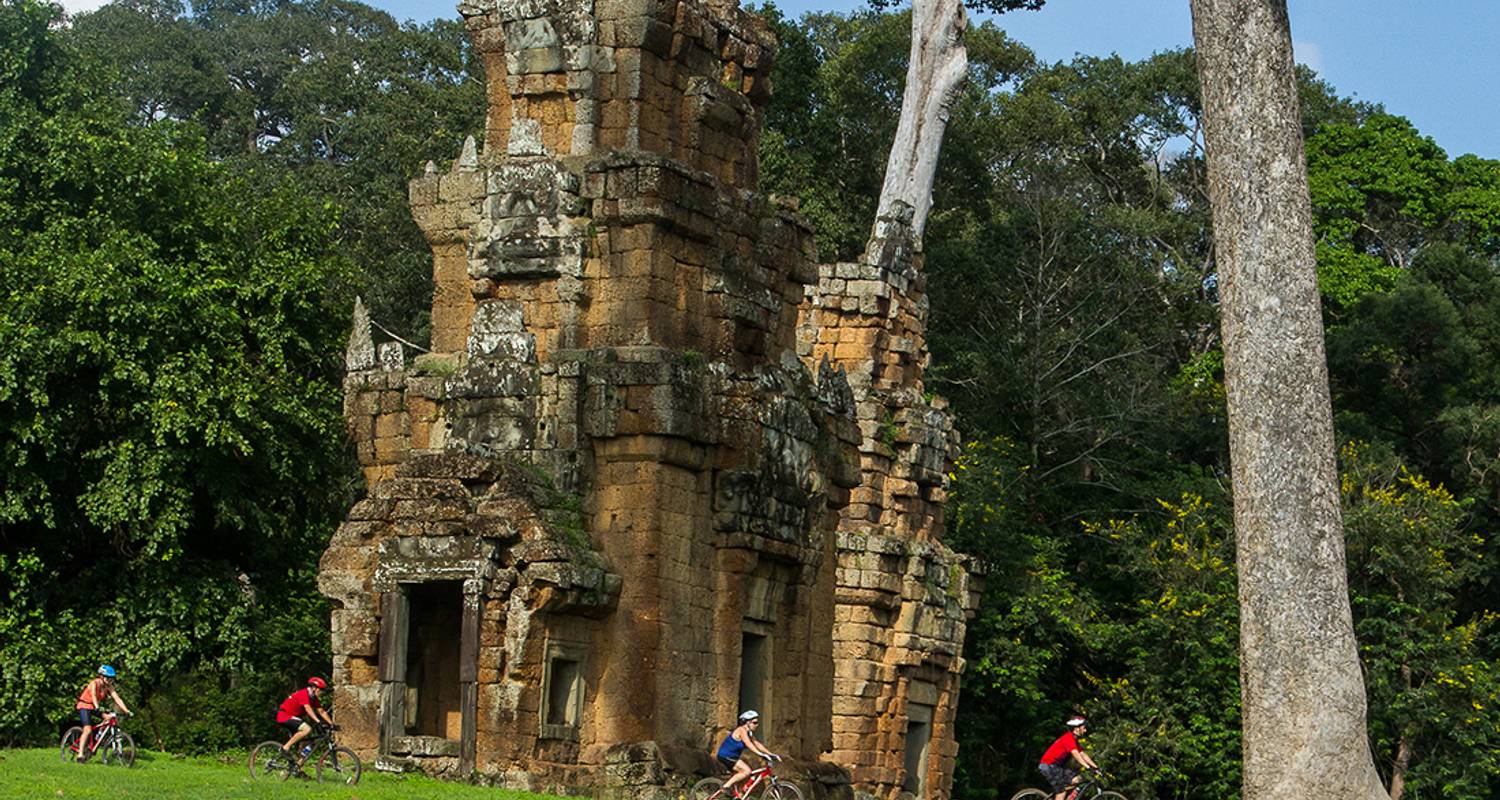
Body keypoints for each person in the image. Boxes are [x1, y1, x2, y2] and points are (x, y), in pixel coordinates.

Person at [715, 709, 779, 798]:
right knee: (747, 771)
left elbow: (757, 744)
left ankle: (739, 796)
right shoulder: (741, 730)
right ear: (747, 722)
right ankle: (725, 786)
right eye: (755, 722)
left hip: (732, 757)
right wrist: (760, 754)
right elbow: (749, 744)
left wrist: (771, 754)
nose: (757, 725)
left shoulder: (749, 733)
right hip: (726, 755)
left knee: (746, 777)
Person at [75, 665, 132, 763]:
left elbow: (117, 698)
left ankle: (95, 742)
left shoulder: (109, 686)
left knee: (109, 718)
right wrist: (97, 707)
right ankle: (80, 754)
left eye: (111, 678)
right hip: (85, 706)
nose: (110, 680)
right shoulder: (94, 683)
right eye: (108, 678)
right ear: (101, 676)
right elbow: (93, 695)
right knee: (87, 729)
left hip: (94, 707)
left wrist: (126, 710)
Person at [276, 677, 336, 767]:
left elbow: (321, 711)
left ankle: (297, 768)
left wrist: (332, 724)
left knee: (309, 745)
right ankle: (285, 747)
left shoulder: (313, 698)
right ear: (313, 688)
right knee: (307, 729)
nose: (321, 692)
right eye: (320, 690)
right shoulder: (304, 693)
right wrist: (318, 721)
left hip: (295, 718)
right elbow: (307, 708)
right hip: (284, 716)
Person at [1038, 716, 1099, 800]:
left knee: (1078, 779)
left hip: (1056, 767)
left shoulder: (1074, 740)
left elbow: (1082, 754)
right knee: (1062, 791)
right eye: (1084, 728)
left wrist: (1095, 767)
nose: (1085, 731)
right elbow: (1075, 754)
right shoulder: (1068, 738)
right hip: (1049, 766)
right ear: (1077, 728)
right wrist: (1087, 767)